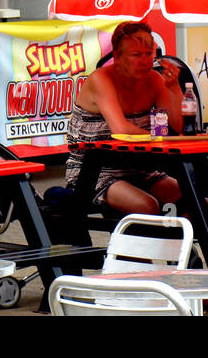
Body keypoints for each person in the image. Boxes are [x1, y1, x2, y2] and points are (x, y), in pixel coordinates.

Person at [65, 21, 183, 215]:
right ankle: (138, 245)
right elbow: (121, 130)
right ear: (118, 57)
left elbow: (174, 126)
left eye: (149, 54)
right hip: (94, 172)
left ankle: (179, 245)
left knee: (196, 202)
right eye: (136, 55)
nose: (145, 61)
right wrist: (158, 137)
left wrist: (173, 88)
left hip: (140, 169)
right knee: (147, 206)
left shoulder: (154, 80)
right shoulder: (101, 79)